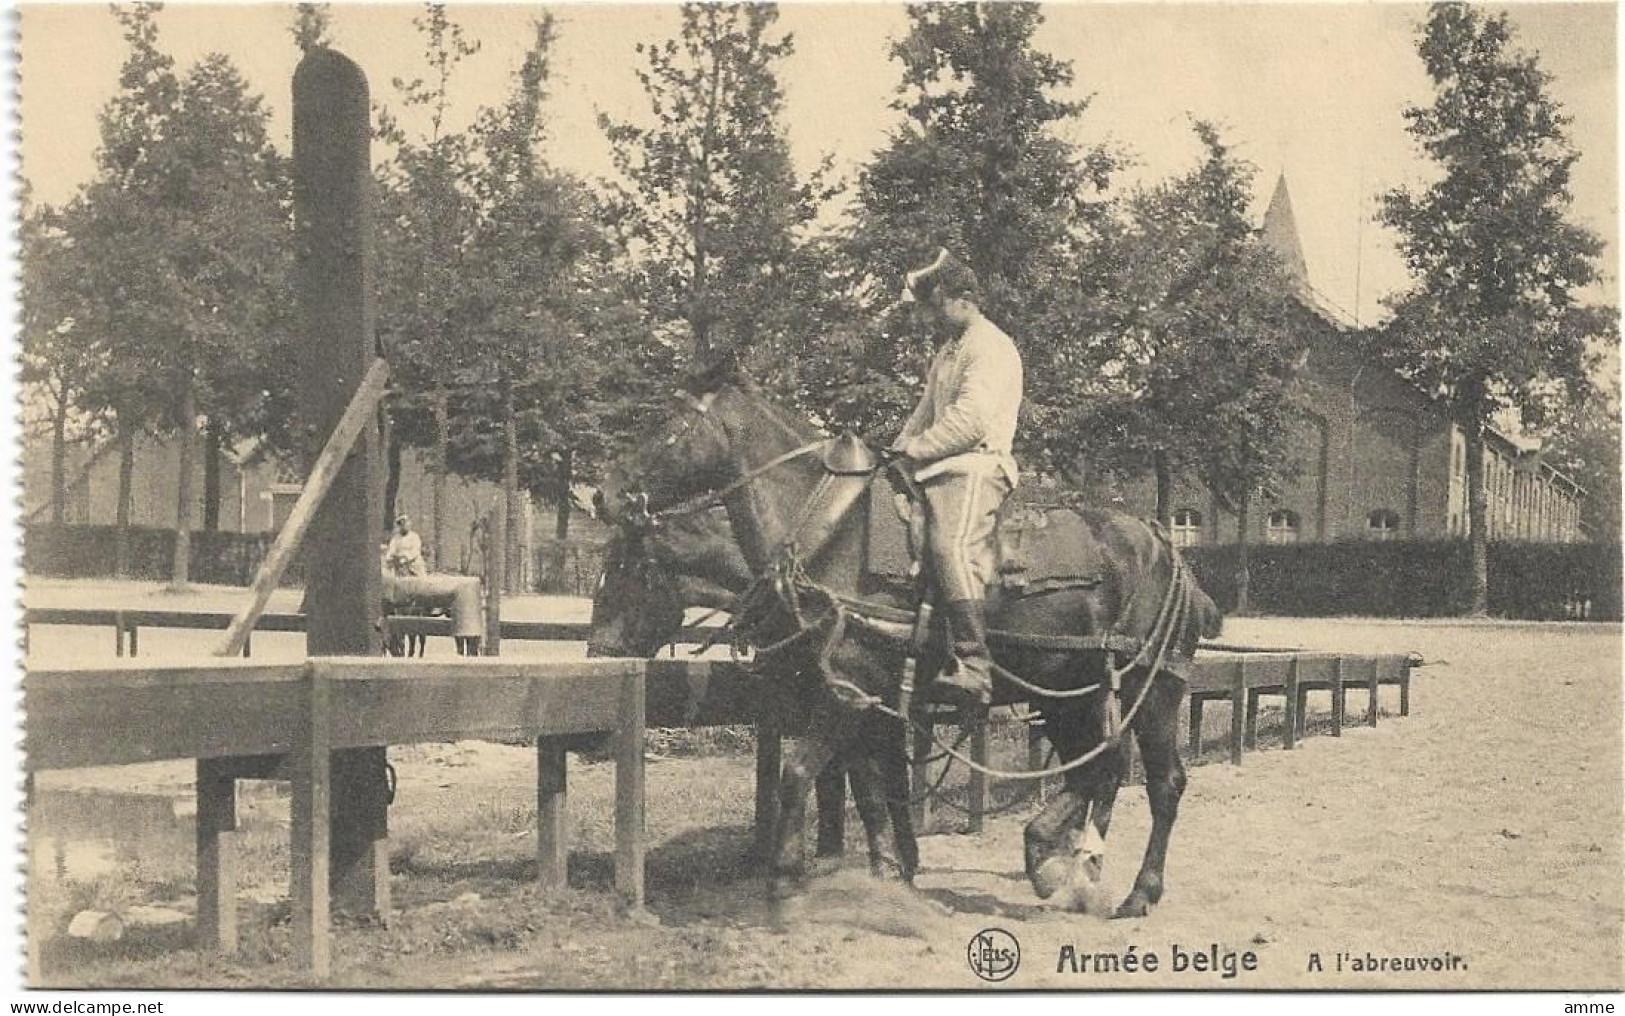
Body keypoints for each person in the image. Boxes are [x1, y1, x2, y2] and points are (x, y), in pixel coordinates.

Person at [886, 248, 1024, 713]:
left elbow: (971, 423)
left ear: (964, 298)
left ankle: (973, 661)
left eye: (937, 303)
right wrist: (896, 449)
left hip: (976, 468)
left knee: (949, 546)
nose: (930, 316)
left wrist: (915, 450)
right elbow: (923, 414)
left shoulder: (991, 346)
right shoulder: (948, 351)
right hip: (938, 468)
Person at [385, 513, 428, 577]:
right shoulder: (395, 538)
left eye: (406, 523)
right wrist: (390, 558)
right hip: (400, 565)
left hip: (414, 565)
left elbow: (415, 552)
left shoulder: (414, 537)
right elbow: (391, 551)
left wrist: (404, 559)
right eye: (401, 524)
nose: (404, 526)